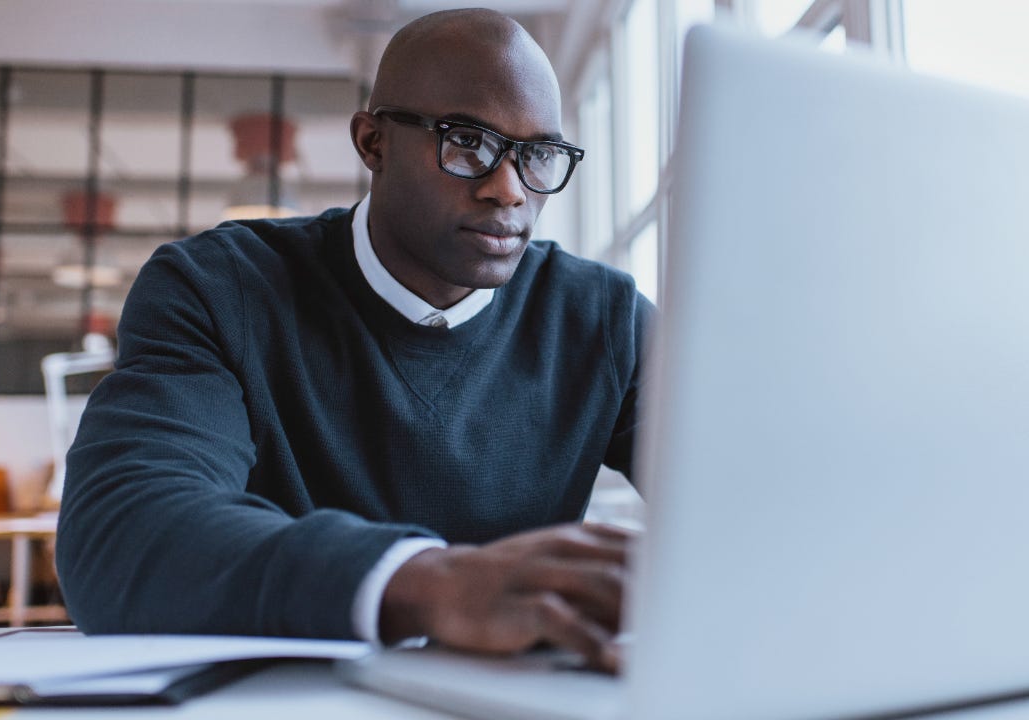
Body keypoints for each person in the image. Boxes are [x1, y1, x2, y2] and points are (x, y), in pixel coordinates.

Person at [55, 8, 652, 674]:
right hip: (282, 704)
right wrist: (428, 584)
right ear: (373, 143)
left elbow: (756, 501)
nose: (508, 190)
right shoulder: (219, 290)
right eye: (467, 143)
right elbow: (120, 536)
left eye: (537, 154)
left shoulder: (605, 318)